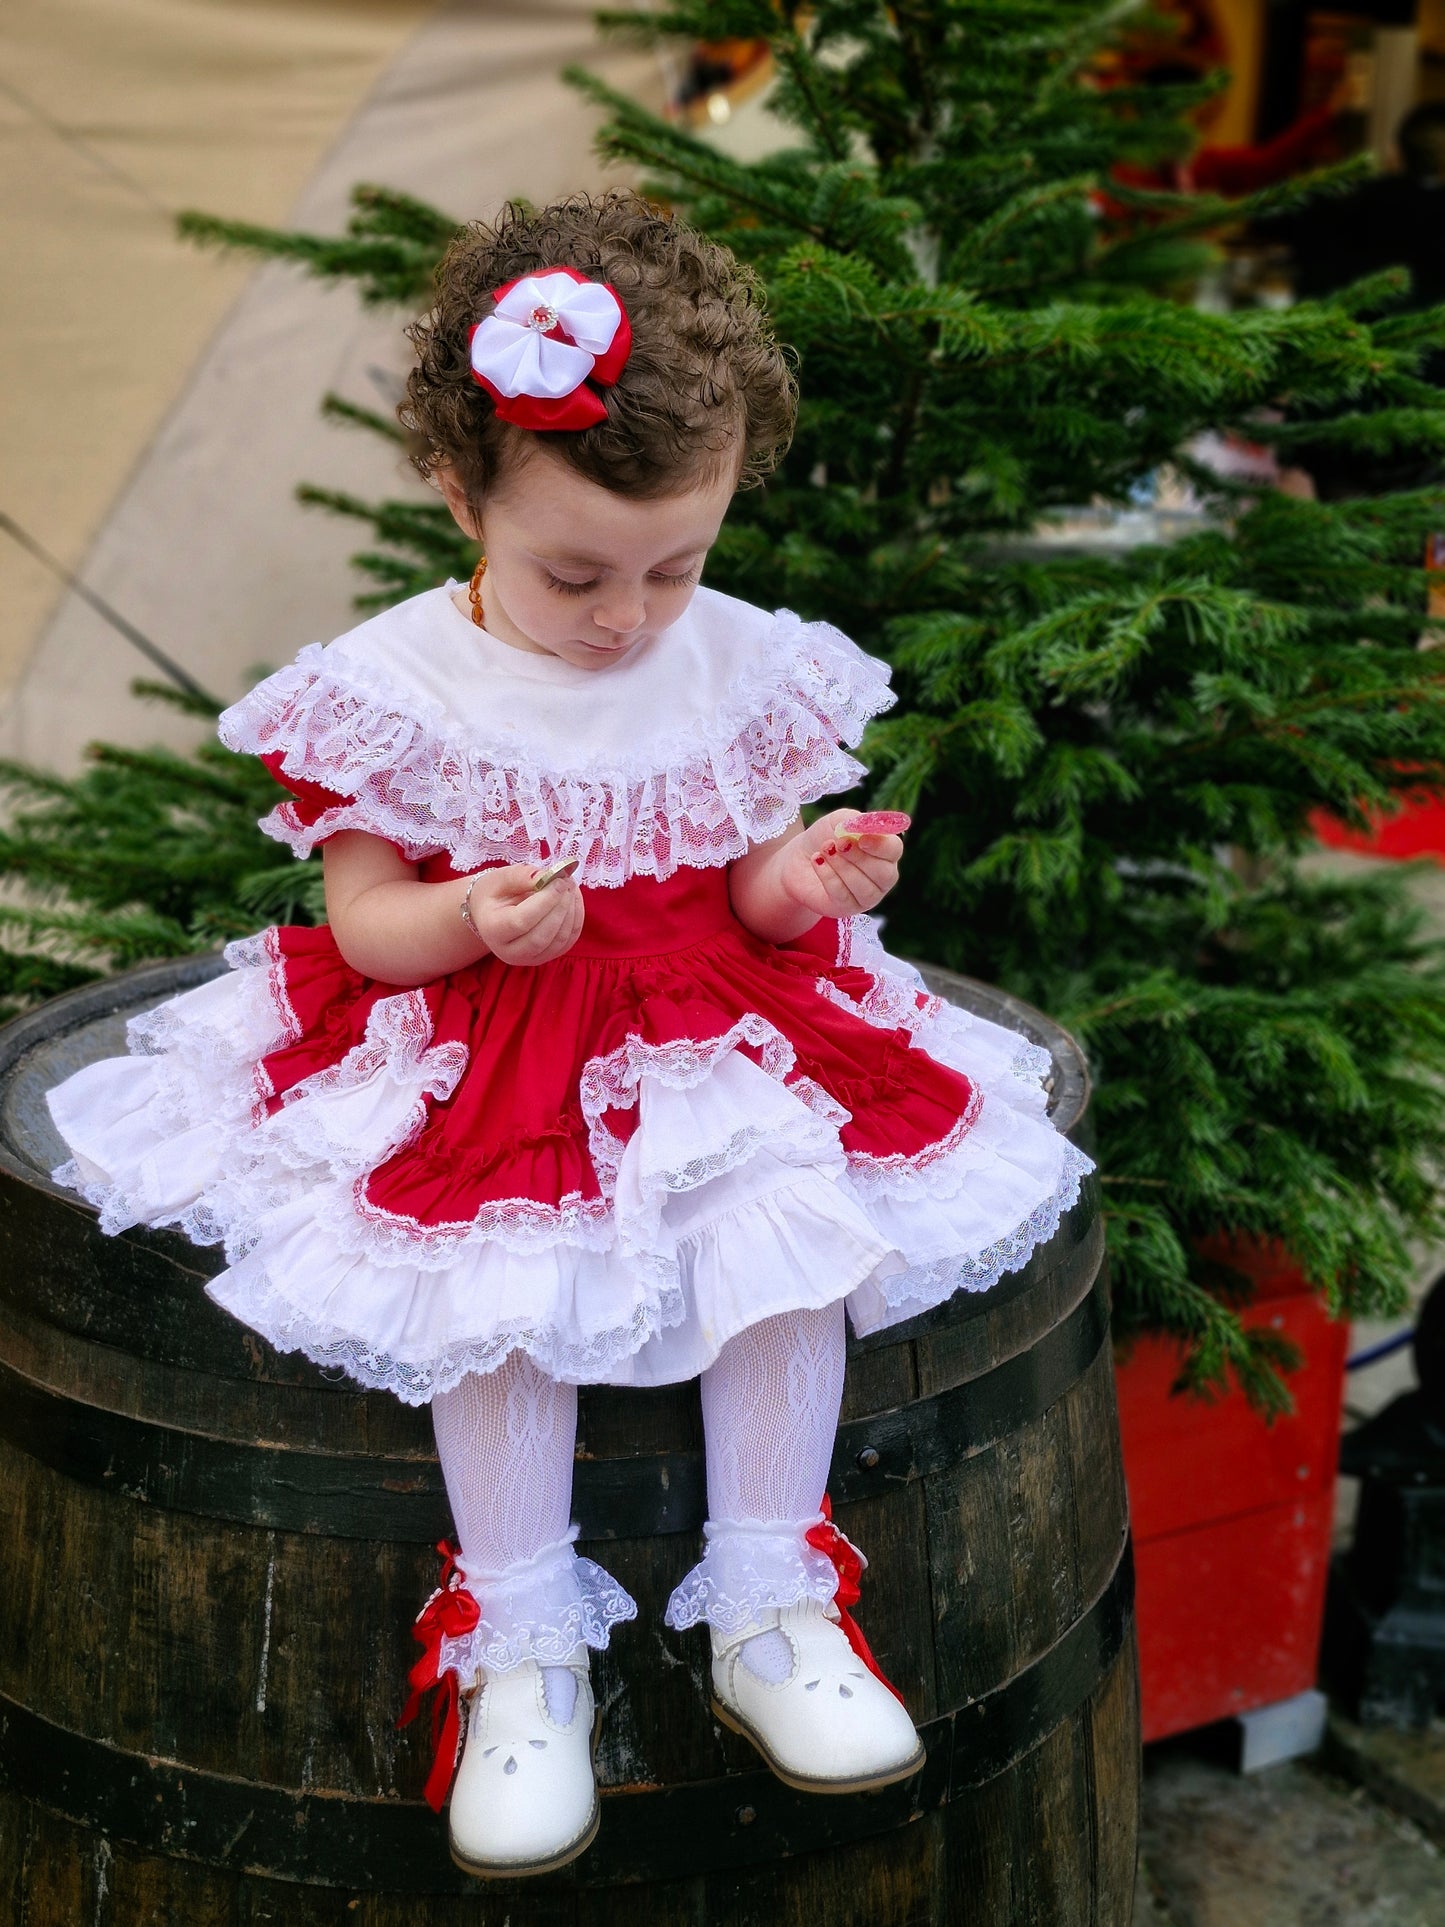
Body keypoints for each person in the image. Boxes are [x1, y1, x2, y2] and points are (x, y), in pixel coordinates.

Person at [44, 192, 1092, 1880]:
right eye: (573, 573)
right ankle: (520, 1646)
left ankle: (768, 1599)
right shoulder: (391, 686)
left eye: (675, 564)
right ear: (461, 496)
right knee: (500, 1297)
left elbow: (744, 888)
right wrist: (466, 921)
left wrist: (806, 877)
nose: (626, 616)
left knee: (786, 1243)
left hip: (706, 1021)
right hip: (488, 1047)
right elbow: (358, 915)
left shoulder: (734, 660)